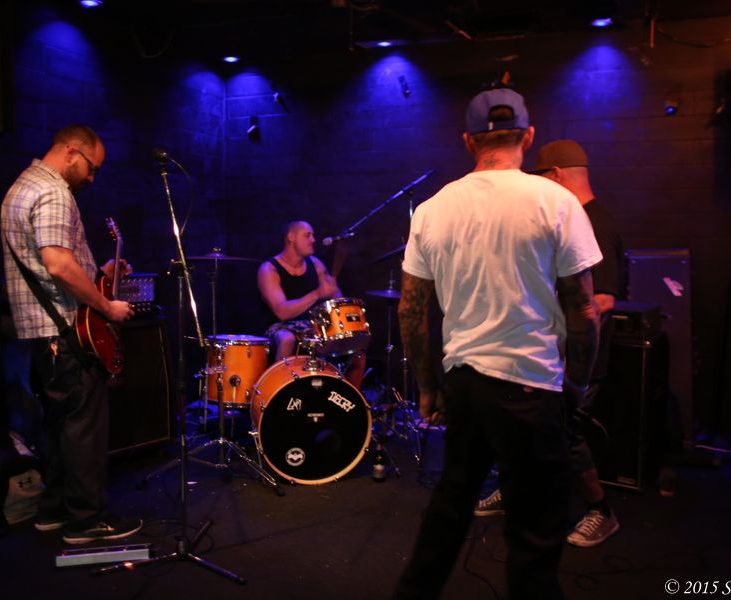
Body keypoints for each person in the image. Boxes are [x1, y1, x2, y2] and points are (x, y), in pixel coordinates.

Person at [393, 88, 602, 599]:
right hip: (533, 388)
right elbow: (584, 310)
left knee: (449, 510)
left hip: (465, 387)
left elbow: (411, 312)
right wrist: (577, 382)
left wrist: (428, 387)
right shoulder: (556, 202)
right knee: (534, 536)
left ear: (469, 141)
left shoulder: (433, 210)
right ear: (528, 136)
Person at [475, 139, 625, 548]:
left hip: (578, 358)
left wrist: (544, 319)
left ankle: (601, 512)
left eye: (540, 177)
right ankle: (515, 491)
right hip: (552, 352)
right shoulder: (573, 217)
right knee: (523, 425)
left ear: (555, 175)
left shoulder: (592, 221)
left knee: (565, 433)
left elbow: (603, 300)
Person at [1, 124, 142, 545]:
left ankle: (54, 509)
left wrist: (99, 274)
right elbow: (58, 264)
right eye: (91, 167)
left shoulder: (22, 186)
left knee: (61, 425)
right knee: (84, 428)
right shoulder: (54, 191)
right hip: (64, 331)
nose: (92, 178)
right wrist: (107, 306)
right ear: (70, 152)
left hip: (42, 332)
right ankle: (87, 520)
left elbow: (48, 265)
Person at [257, 220, 366, 388]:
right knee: (287, 339)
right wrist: (317, 294)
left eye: (313, 235)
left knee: (357, 351)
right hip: (278, 327)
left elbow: (335, 297)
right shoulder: (269, 269)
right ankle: (277, 390)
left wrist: (335, 297)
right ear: (291, 237)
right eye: (307, 235)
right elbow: (281, 312)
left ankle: (351, 399)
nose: (313, 240)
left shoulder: (315, 264)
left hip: (311, 327)